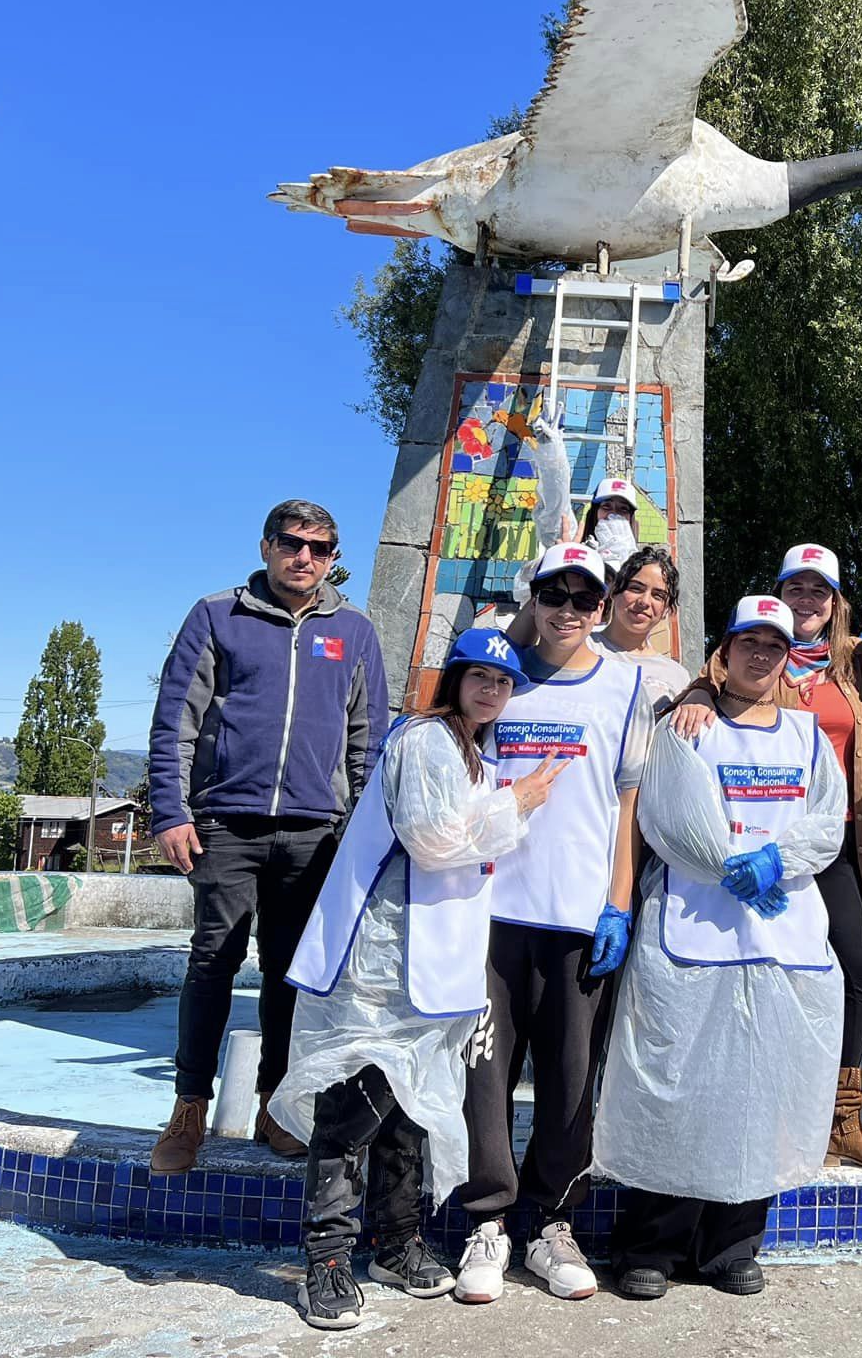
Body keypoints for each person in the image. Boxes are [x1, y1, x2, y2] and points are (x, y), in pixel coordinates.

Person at [270, 630, 565, 1329]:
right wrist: (518, 802)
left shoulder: (472, 753)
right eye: (480, 677)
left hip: (430, 963)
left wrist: (506, 798)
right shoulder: (426, 740)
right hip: (380, 965)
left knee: (408, 1111)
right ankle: (329, 1260)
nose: (492, 691)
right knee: (351, 1116)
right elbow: (434, 842)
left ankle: (395, 1241)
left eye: (504, 681)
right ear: (455, 679)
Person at [598, 596, 849, 1299]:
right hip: (694, 930)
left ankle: (733, 1245)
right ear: (725, 652)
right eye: (749, 644)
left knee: (760, 1094)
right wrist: (729, 867)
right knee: (679, 1088)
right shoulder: (687, 726)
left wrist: (778, 860)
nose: (761, 656)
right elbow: (666, 816)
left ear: (785, 656)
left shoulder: (805, 737)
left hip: (780, 938)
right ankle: (651, 1243)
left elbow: (828, 822)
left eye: (774, 645)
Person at [146, 500, 388, 1174]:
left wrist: (362, 838)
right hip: (226, 824)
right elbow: (176, 723)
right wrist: (171, 811)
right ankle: (189, 1107)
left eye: (321, 547)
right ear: (266, 546)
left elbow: (368, 742)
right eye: (292, 543)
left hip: (315, 834)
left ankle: (274, 1108)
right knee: (211, 964)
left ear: (335, 557)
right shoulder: (217, 615)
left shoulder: (355, 631)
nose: (304, 557)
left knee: (292, 978)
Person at [454, 541, 654, 1304]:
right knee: (486, 1075)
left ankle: (549, 1221)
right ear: (532, 596)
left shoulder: (626, 687)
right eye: (555, 594)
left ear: (603, 610)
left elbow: (627, 804)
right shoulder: (497, 681)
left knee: (571, 1082)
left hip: (577, 917)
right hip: (493, 913)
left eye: (585, 599)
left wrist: (618, 903)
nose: (569, 610)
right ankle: (489, 1220)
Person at [672, 544, 862, 1172]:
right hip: (751, 845)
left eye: (818, 591)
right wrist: (697, 690)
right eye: (795, 588)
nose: (807, 601)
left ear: (835, 602)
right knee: (768, 968)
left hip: (834, 842)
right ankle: (768, 1106)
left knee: (859, 965)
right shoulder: (757, 648)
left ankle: (842, 1119)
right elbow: (710, 682)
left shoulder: (857, 659)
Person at [592, 546, 692, 709]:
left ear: (667, 609)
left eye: (658, 595)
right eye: (636, 588)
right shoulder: (582, 648)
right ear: (614, 591)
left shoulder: (677, 676)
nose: (644, 602)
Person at [581, 476, 642, 574]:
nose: (613, 514)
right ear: (595, 512)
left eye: (623, 509)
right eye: (606, 507)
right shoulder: (581, 552)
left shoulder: (641, 563)